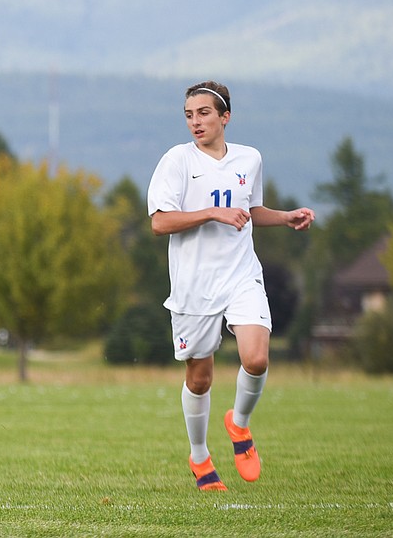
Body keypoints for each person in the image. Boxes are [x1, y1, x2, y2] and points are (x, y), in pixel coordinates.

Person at [147, 81, 314, 492]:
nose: (195, 122)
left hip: (241, 275)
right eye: (188, 115)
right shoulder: (177, 161)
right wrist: (211, 213)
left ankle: (239, 426)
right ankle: (200, 457)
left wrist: (284, 216)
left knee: (256, 358)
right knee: (200, 378)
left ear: (225, 116)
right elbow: (159, 222)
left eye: (203, 113)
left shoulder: (250, 158)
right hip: (193, 285)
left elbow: (249, 210)